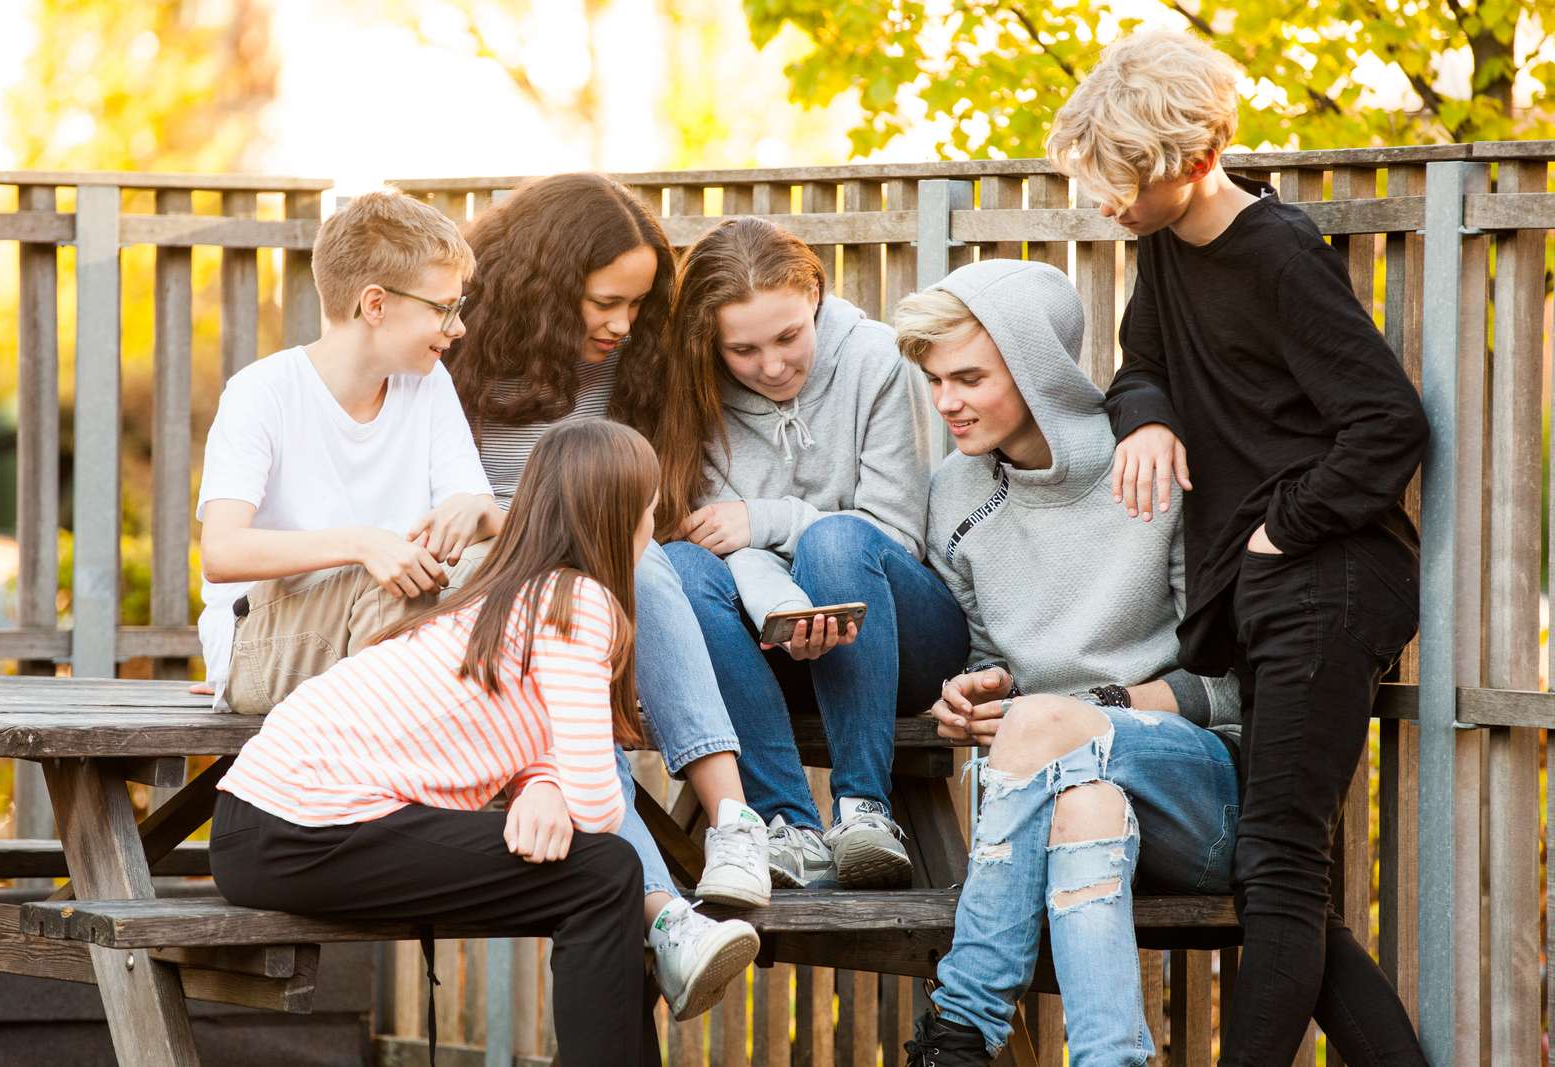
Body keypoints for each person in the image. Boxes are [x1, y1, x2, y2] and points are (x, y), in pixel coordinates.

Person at [1049, 30, 1429, 1066]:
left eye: (1115, 181)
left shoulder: (1276, 255)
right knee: (1277, 871)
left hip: (1330, 581)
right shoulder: (1165, 250)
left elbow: (1387, 424)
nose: (1102, 202)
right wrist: (1149, 420)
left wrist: (1279, 527)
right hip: (1269, 590)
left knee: (1278, 861)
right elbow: (1139, 365)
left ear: (1183, 159)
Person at [210, 420, 670, 1067]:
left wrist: (541, 783)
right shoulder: (579, 601)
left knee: (603, 876)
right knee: (606, 873)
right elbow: (598, 808)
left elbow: (527, 724)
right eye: (652, 509)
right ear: (622, 519)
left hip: (266, 823)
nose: (656, 524)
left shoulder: (507, 597)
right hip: (303, 826)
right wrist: (563, 794)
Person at [884, 259, 1240, 1067]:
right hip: (1052, 800)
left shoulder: (1152, 463)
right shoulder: (954, 491)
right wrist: (977, 694)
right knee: (1086, 804)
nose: (946, 401)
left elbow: (1233, 683)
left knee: (1053, 725)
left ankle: (961, 1026)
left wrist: (1089, 709)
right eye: (936, 379)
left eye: (969, 376)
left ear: (1038, 367)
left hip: (1196, 790)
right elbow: (988, 658)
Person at [449, 173, 766, 1018]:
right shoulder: (458, 344)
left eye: (637, 302)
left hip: (604, 605)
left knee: (646, 566)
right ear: (548, 283)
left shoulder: (635, 357)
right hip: (493, 597)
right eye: (604, 302)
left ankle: (731, 823)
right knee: (581, 685)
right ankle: (667, 909)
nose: (623, 324)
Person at [657, 217, 968, 890]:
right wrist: (786, 609)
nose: (771, 365)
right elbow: (718, 547)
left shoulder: (877, 359)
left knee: (835, 539)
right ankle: (788, 825)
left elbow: (894, 534)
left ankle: (864, 810)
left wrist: (768, 518)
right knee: (680, 568)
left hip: (895, 633)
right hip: (771, 639)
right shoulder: (692, 391)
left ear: (817, 300)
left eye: (789, 336)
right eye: (742, 349)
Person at [196, 190, 502, 716]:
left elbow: (487, 531)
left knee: (515, 560)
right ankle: (405, 778)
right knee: (393, 581)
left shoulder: (428, 387)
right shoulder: (262, 392)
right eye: (444, 308)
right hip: (263, 638)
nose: (459, 327)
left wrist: (476, 510)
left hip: (389, 619)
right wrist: (364, 544)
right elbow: (222, 554)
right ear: (376, 304)